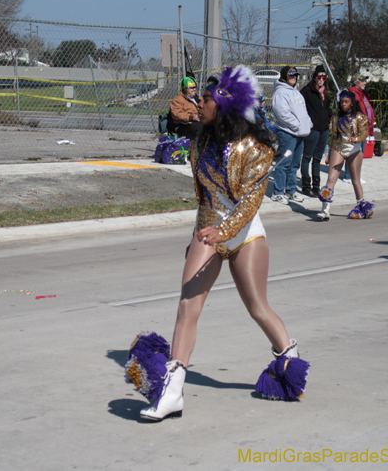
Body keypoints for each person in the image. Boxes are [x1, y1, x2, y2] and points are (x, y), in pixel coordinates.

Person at [132, 66, 309, 421]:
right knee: (187, 306)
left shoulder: (256, 148)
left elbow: (250, 202)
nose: (199, 101)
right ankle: (172, 391)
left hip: (246, 233)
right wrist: (203, 236)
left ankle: (286, 359)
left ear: (224, 105)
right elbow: (204, 196)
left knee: (257, 307)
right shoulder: (201, 141)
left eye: (207, 98)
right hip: (207, 227)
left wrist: (224, 232)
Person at [316, 89, 374, 221]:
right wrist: (330, 154)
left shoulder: (359, 117)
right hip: (338, 147)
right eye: (341, 102)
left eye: (346, 102)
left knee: (355, 180)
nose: (343, 104)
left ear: (352, 103)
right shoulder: (336, 117)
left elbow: (364, 133)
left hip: (354, 149)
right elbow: (333, 137)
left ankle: (361, 206)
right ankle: (325, 210)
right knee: (330, 179)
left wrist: (357, 139)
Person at [270, 66, 311, 204]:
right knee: (284, 163)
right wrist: (297, 125)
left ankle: (291, 191)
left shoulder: (295, 92)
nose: (294, 78)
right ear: (284, 77)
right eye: (291, 76)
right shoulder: (280, 92)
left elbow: (303, 112)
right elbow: (282, 114)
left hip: (299, 133)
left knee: (294, 164)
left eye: (295, 76)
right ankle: (278, 192)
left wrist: (307, 124)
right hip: (288, 133)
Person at [299, 65, 331, 197]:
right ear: (314, 78)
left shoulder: (326, 92)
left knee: (318, 158)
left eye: (324, 78)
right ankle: (306, 185)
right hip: (313, 128)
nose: (321, 80)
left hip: (324, 128)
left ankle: (316, 186)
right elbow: (300, 108)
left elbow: (327, 108)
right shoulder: (307, 91)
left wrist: (329, 117)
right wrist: (307, 121)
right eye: (319, 77)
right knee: (307, 156)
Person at [346, 74, 373, 184]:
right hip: (356, 127)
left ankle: (356, 175)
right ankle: (349, 176)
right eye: (362, 81)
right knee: (353, 152)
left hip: (363, 127)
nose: (365, 83)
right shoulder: (353, 93)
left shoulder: (362, 94)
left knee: (359, 153)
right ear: (356, 82)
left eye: (365, 81)